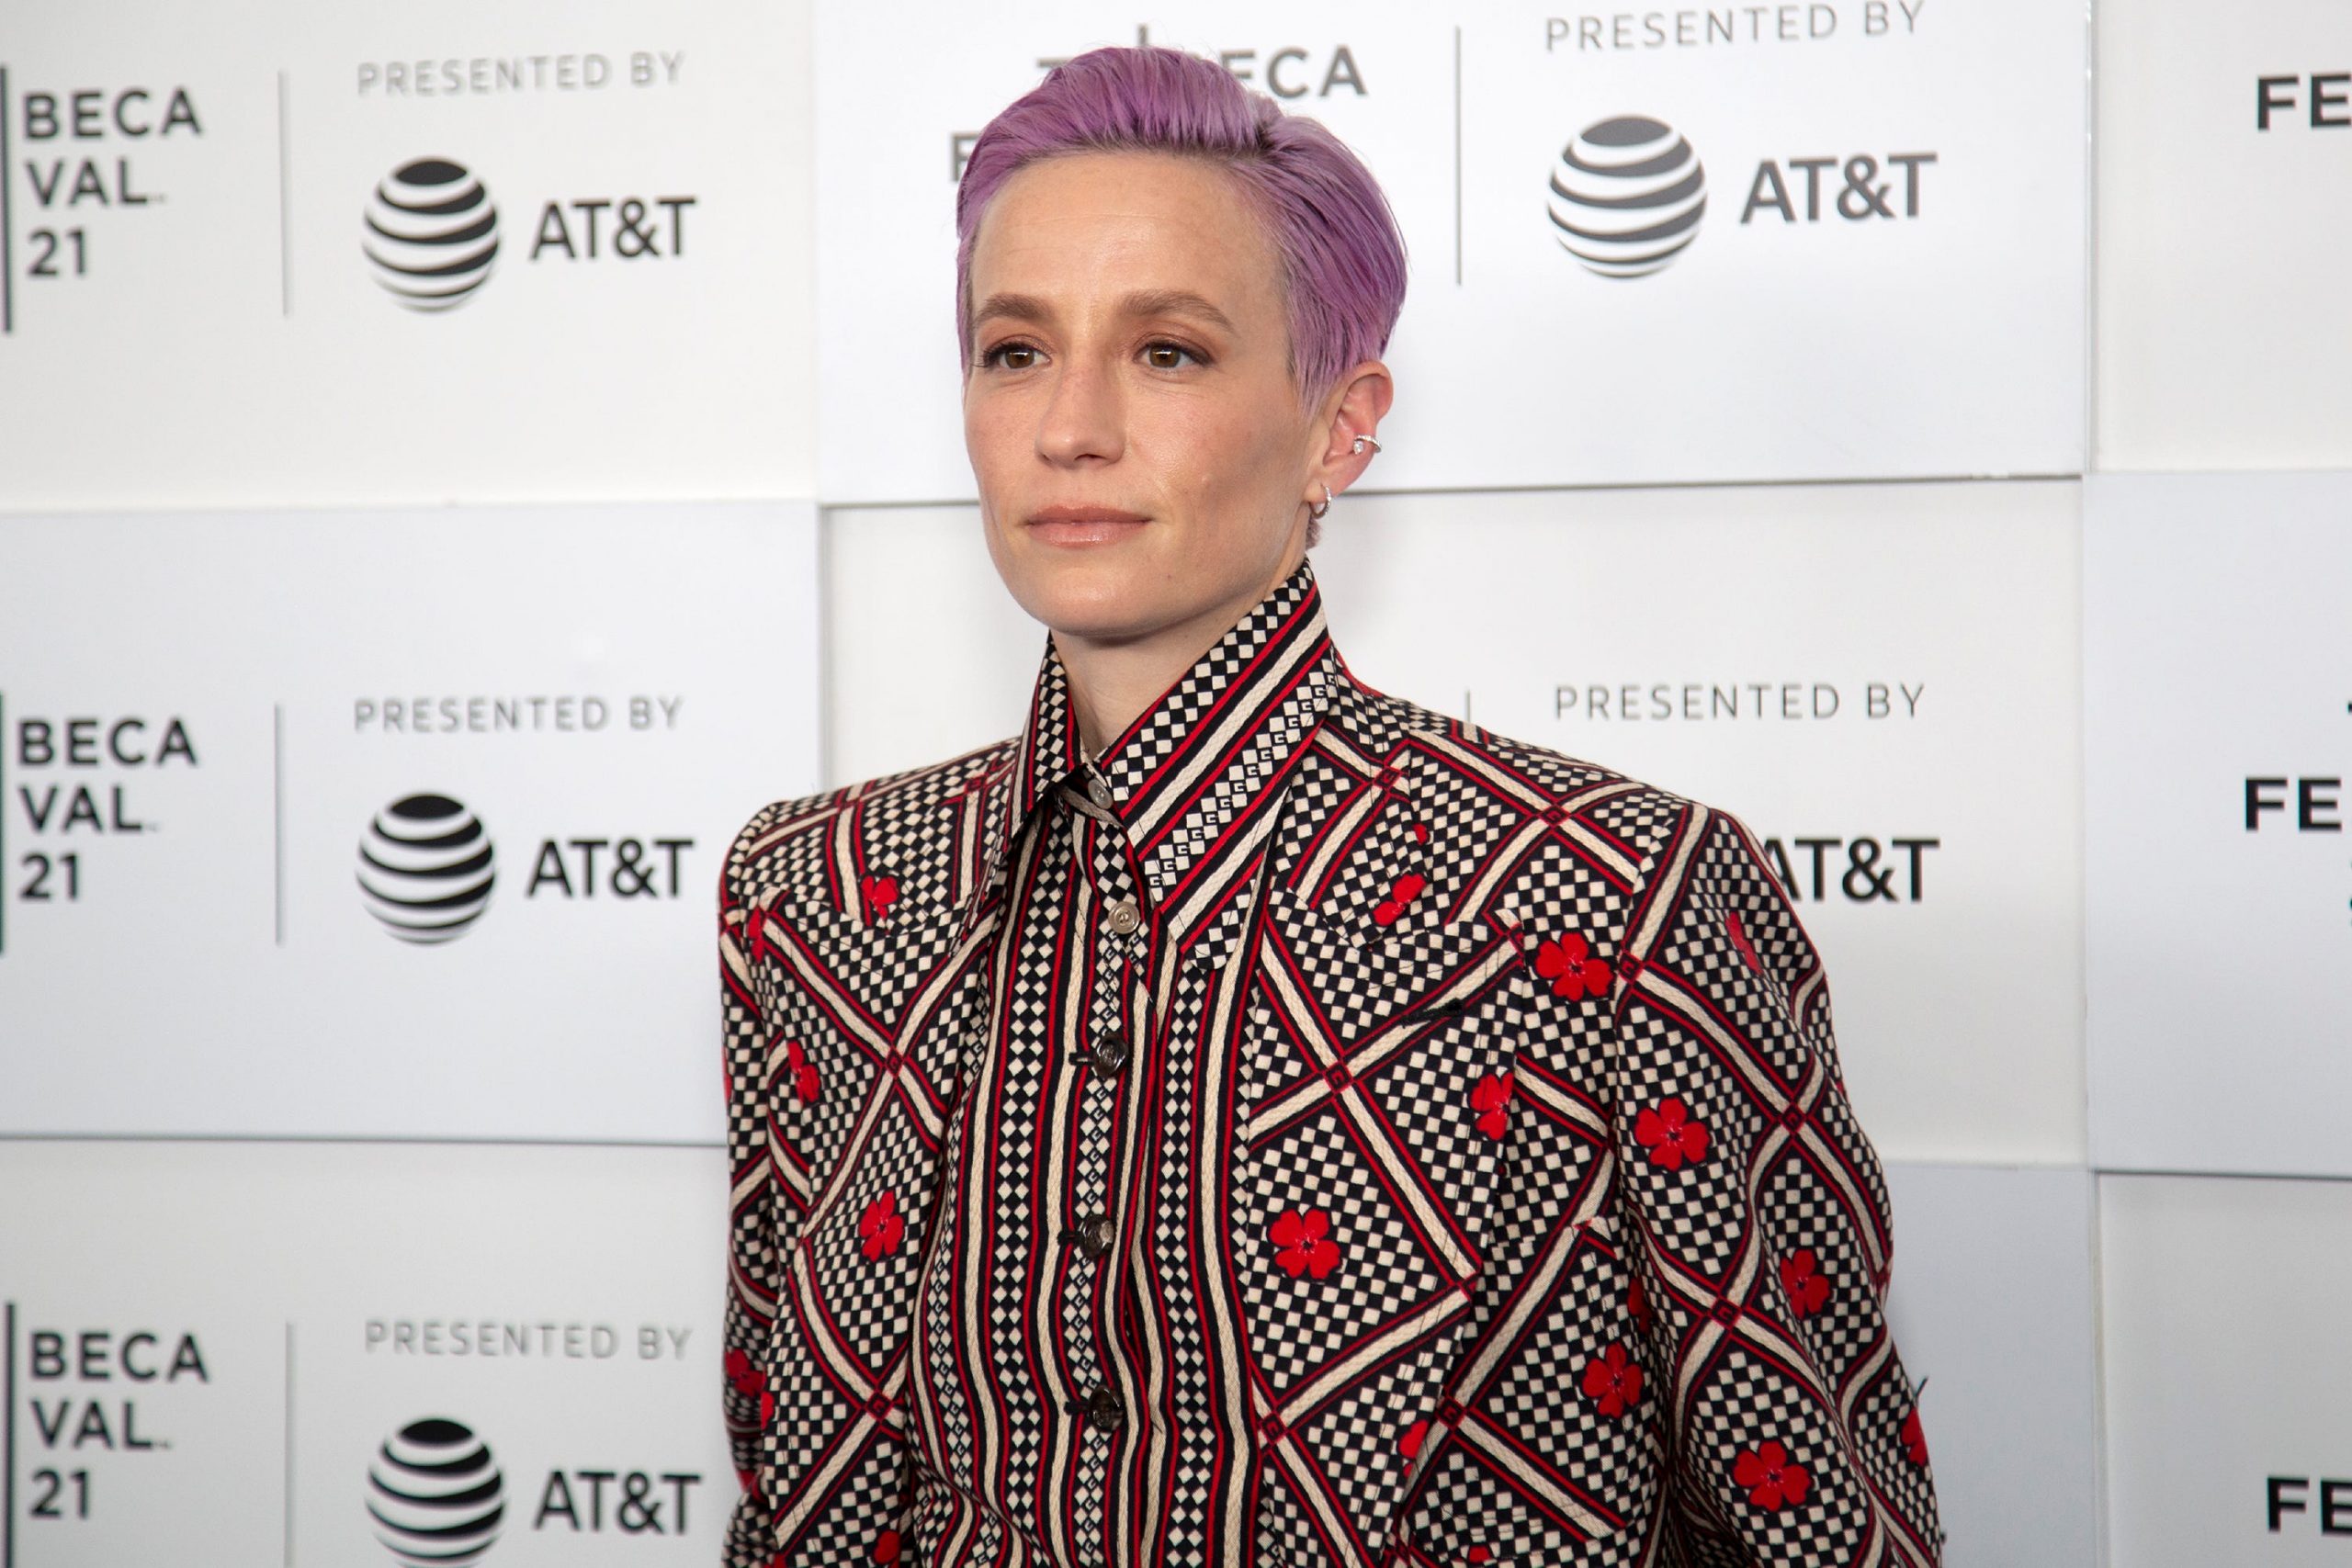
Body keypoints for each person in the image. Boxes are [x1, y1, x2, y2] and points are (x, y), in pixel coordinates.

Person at [718, 44, 1941, 1567]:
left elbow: (1813, 1527)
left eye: (1168, 351)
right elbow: (795, 1504)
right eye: (1015, 349)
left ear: (1338, 427)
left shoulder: (1607, 899)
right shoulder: (823, 888)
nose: (1069, 427)